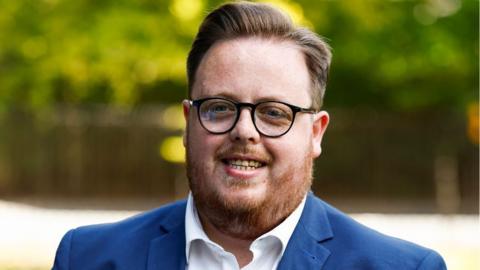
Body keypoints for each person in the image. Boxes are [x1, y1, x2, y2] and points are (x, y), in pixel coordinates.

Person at [53, 2, 447, 269]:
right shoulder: (87, 258)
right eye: (220, 108)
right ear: (189, 122)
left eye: (274, 113)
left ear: (315, 132)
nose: (244, 131)